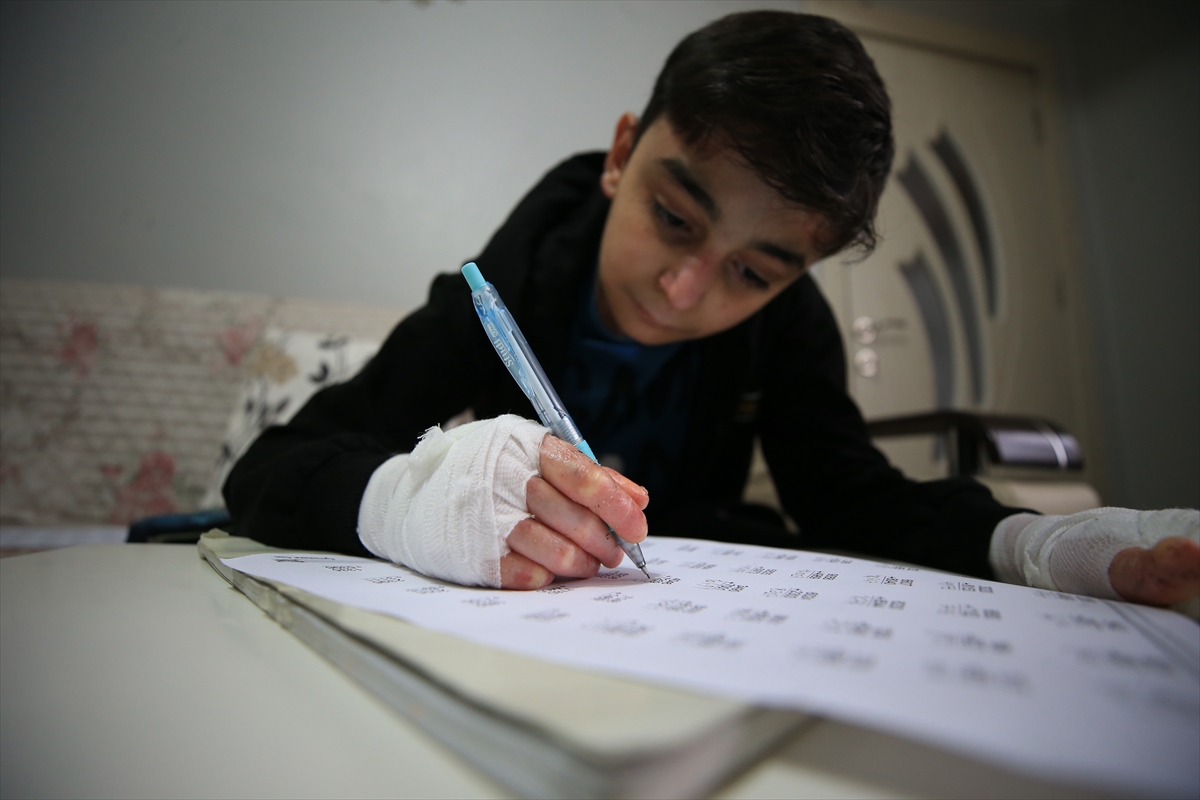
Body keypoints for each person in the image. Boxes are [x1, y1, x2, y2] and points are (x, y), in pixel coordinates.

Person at [224, 11, 1198, 608]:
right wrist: (413, 499)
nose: (683, 290)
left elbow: (852, 499)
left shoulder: (790, 328)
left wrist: (1033, 543)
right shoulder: (501, 292)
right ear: (621, 155)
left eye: (753, 272)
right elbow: (272, 468)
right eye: (675, 217)